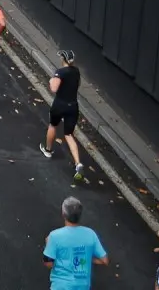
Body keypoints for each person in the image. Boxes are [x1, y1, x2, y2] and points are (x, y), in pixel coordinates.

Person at [42, 197, 109, 290]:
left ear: (63, 214)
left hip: (61, 286)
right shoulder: (90, 233)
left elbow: (48, 264)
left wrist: (47, 245)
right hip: (83, 286)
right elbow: (104, 260)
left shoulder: (54, 236)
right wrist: (87, 257)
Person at [40, 49, 86, 182]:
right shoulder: (76, 71)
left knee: (53, 125)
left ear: (63, 59)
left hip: (60, 105)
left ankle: (48, 150)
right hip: (73, 106)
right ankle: (78, 164)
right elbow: (78, 84)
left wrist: (51, 80)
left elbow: (53, 89)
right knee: (69, 134)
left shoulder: (60, 72)